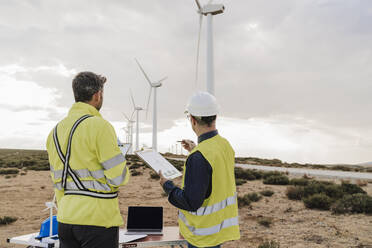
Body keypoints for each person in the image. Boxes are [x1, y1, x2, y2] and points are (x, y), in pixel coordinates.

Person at [46, 71, 130, 248]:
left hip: (66, 219)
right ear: (97, 95)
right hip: (98, 220)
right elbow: (118, 178)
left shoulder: (54, 132)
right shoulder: (100, 126)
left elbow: (58, 182)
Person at [159, 91, 240, 248]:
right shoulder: (224, 145)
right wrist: (196, 149)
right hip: (218, 231)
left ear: (193, 119)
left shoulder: (199, 156)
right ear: (215, 117)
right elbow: (214, 172)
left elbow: (191, 202)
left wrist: (167, 186)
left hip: (202, 236)